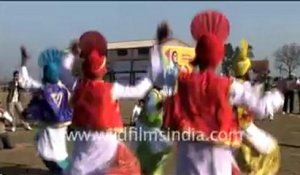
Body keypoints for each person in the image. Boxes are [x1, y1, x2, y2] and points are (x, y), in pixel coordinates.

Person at [162, 10, 284, 175]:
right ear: (219, 58)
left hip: (187, 160)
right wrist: (279, 92)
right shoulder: (229, 86)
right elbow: (261, 108)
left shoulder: (183, 83)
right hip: (216, 160)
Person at [65, 31, 162, 175]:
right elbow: (139, 90)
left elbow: (63, 73)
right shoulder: (111, 90)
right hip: (107, 154)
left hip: (81, 162)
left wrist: (71, 54)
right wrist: (155, 56)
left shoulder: (77, 87)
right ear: (103, 70)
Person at [232, 39, 280, 175]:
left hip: (231, 132)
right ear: (246, 71)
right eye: (250, 69)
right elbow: (257, 110)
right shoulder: (244, 88)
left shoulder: (234, 84)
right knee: (270, 151)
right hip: (242, 132)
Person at [22, 48, 72, 174]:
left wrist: (24, 62)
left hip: (46, 143)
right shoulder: (65, 91)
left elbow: (25, 82)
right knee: (62, 166)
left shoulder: (42, 90)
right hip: (58, 142)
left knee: (58, 165)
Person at [135, 87, 172, 175]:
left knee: (148, 156)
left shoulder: (158, 93)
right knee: (166, 149)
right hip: (148, 129)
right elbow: (151, 113)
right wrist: (163, 103)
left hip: (148, 129)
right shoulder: (153, 94)